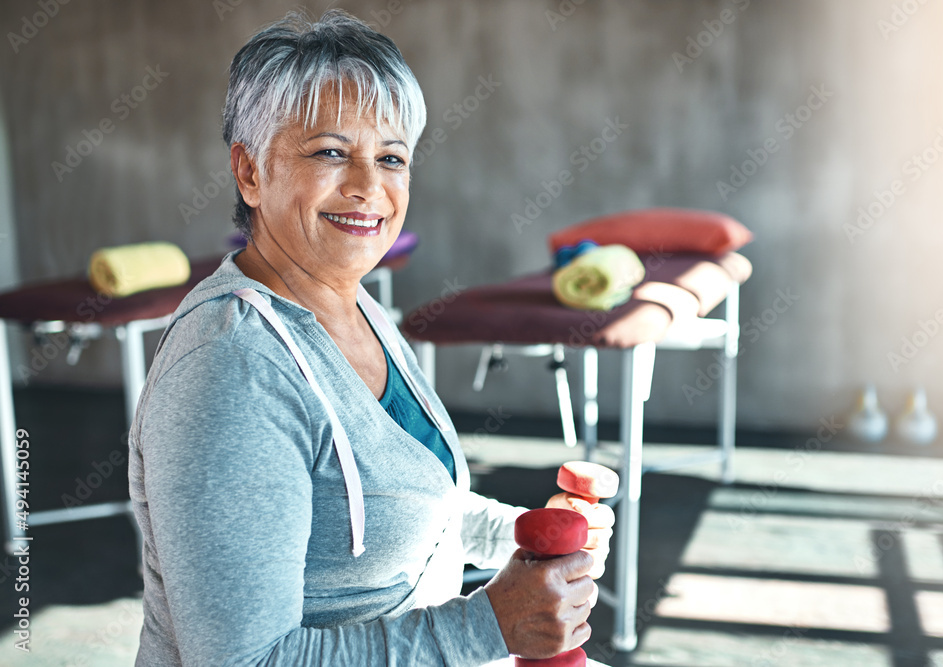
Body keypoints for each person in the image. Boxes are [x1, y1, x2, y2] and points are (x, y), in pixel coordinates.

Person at [127, 10, 613, 666]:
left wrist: (524, 538)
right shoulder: (232, 367)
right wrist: (492, 624)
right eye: (331, 151)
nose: (367, 187)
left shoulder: (354, 303)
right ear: (250, 172)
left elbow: (405, 506)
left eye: (390, 157)